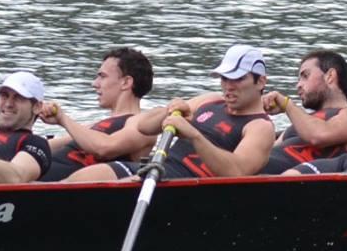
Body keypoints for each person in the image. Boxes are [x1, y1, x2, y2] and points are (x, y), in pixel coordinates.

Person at [66, 43, 277, 181]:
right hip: (157, 171)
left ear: (261, 82)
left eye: (238, 79)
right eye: (224, 78)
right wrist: (170, 110)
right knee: (81, 179)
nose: (229, 86)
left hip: (184, 185)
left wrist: (194, 135)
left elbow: (236, 172)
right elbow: (144, 127)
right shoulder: (210, 101)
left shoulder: (260, 127)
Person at [38, 46, 154, 181]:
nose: (95, 84)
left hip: (52, 188)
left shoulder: (143, 124)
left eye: (102, 77)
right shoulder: (94, 126)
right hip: (34, 175)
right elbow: (46, 147)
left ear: (126, 82)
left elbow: (105, 148)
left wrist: (63, 118)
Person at [261, 49, 347, 174]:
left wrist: (287, 105)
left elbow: (318, 136)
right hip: (255, 168)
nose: (298, 85)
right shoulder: (300, 122)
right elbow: (264, 150)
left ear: (330, 76)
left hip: (286, 178)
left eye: (305, 76)